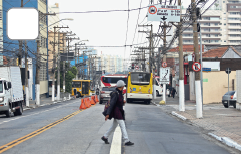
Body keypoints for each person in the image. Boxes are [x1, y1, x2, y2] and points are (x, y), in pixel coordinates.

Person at [101, 80, 134, 146]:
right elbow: (112, 104)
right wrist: (107, 114)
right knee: (122, 125)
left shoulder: (119, 93)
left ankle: (105, 137)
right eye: (123, 86)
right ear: (121, 86)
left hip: (118, 111)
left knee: (114, 126)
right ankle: (126, 140)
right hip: (117, 112)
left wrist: (123, 102)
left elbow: (119, 102)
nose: (124, 86)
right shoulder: (116, 94)